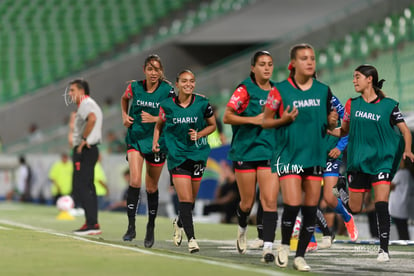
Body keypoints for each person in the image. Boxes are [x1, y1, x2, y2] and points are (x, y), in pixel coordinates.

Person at [262, 43, 338, 271]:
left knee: (310, 208)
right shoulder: (279, 91)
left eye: (312, 58)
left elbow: (329, 123)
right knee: (293, 204)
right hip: (289, 156)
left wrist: (332, 122)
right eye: (304, 58)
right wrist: (282, 120)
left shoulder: (324, 90)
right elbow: (265, 121)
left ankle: (300, 256)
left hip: (314, 156)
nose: (310, 62)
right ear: (293, 63)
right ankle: (284, 245)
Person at [328, 64, 414, 262]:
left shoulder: (389, 105)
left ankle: (384, 250)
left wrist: (408, 150)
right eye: (353, 76)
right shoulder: (352, 104)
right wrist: (327, 130)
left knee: (381, 203)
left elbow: (405, 131)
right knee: (355, 208)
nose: (353, 80)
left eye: (357, 76)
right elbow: (344, 130)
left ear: (370, 79)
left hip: (381, 162)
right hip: (358, 162)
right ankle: (341, 187)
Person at [223, 50, 296, 263]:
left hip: (269, 152)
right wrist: (254, 120)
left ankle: (268, 246)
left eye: (270, 64)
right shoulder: (244, 89)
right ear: (253, 68)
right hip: (245, 151)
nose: (266, 67)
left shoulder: (277, 91)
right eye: (262, 64)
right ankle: (242, 227)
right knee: (247, 202)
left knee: (270, 201)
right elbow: (227, 117)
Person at [152, 69, 216, 253]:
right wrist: (156, 142)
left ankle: (179, 221)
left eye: (192, 81)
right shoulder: (167, 106)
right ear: (177, 84)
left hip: (197, 155)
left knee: (191, 201)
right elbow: (159, 125)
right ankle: (192, 240)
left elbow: (212, 125)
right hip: (177, 156)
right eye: (185, 81)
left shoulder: (203, 103)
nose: (189, 84)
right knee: (185, 199)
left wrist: (200, 134)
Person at [121, 54, 175, 247]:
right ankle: (131, 226)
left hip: (156, 142)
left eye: (157, 69)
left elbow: (175, 113)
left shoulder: (168, 91)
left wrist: (155, 120)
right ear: (144, 70)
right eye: (150, 69)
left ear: (161, 71)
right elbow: (124, 99)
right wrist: (125, 115)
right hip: (135, 138)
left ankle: (150, 227)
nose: (154, 73)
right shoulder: (134, 87)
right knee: (135, 180)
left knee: (151, 187)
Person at [68, 79, 103, 235]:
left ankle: (91, 224)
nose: (70, 94)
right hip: (91, 149)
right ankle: (92, 223)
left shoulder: (85, 103)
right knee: (88, 186)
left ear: (82, 91)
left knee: (82, 186)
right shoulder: (90, 103)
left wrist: (83, 140)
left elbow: (92, 118)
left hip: (85, 149)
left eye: (72, 90)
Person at [389, 158, 413, 240]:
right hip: (404, 206)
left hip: (398, 206)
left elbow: (390, 186)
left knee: (402, 230)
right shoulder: (409, 174)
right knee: (403, 229)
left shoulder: (401, 173)